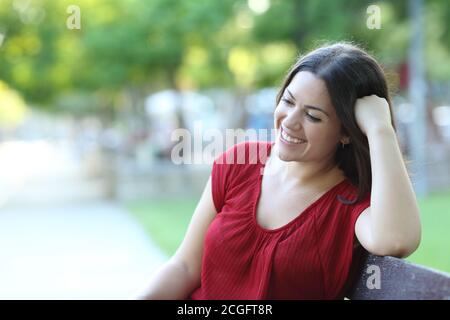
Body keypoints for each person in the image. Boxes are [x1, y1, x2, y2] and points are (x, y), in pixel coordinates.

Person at [135, 42, 422, 300]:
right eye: (288, 101)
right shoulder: (239, 162)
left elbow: (396, 239)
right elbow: (185, 267)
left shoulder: (351, 205)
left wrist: (380, 129)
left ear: (347, 132)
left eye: (312, 115)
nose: (290, 121)